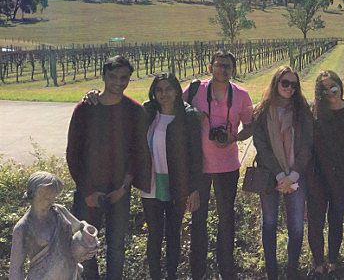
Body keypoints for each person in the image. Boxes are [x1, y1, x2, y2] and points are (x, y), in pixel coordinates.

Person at [66, 55, 150, 280]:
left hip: (119, 192)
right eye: (113, 76)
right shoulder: (84, 109)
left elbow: (138, 153)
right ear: (103, 75)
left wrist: (123, 188)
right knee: (85, 246)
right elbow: (73, 154)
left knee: (116, 247)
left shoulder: (135, 110)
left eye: (124, 78)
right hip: (87, 191)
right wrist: (88, 192)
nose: (118, 82)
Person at [184, 49, 253, 280]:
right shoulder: (195, 90)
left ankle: (226, 270)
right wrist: (195, 115)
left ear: (233, 69)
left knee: (226, 219)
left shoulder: (242, 95)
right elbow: (174, 109)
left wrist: (234, 138)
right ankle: (198, 272)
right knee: (198, 219)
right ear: (210, 67)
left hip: (227, 166)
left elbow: (250, 127)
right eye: (219, 64)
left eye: (227, 66)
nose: (222, 69)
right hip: (198, 167)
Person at [252, 65, 314, 280]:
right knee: (269, 223)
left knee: (296, 227)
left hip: (297, 175)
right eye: (285, 83)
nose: (289, 88)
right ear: (276, 83)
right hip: (270, 174)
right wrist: (280, 174)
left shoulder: (302, 110)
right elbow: (261, 145)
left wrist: (294, 174)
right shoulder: (261, 111)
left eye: (293, 85)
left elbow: (307, 144)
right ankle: (272, 271)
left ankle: (292, 270)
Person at [141, 73, 203, 280]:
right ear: (154, 92)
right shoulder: (148, 113)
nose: (164, 94)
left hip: (177, 184)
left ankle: (171, 275)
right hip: (151, 184)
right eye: (159, 89)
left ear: (177, 91)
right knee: (154, 235)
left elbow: (196, 156)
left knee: (173, 234)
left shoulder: (188, 118)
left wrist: (193, 189)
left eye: (169, 89)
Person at [306, 70, 344, 278]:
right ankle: (319, 264)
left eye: (333, 86)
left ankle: (333, 262)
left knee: (336, 220)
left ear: (340, 85)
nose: (330, 92)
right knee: (316, 222)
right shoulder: (314, 111)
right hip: (317, 176)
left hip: (343, 177)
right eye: (324, 89)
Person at [10, 172, 98, 280]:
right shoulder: (23, 227)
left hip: (70, 274)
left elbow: (80, 227)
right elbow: (16, 268)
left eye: (53, 197)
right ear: (33, 194)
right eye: (47, 198)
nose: (51, 202)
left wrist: (89, 243)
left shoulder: (59, 211)